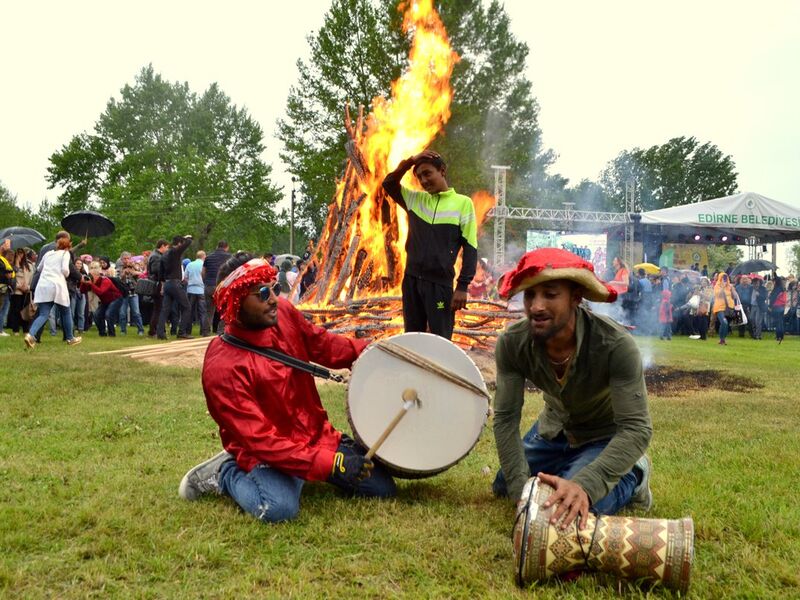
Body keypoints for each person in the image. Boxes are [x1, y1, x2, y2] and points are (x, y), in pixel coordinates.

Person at [178, 254, 396, 522]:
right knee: (278, 508)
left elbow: (324, 345)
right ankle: (225, 473)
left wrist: (377, 352)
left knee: (382, 489)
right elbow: (262, 440)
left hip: (314, 435)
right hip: (265, 451)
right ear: (235, 304)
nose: (272, 298)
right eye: (261, 293)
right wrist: (331, 465)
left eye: (273, 288)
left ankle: (301, 473)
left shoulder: (282, 311)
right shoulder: (222, 368)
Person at [491, 248, 652, 529]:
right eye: (530, 295)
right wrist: (520, 491)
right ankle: (564, 473)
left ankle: (635, 475)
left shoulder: (615, 345)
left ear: (576, 298)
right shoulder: (512, 343)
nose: (536, 306)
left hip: (603, 436)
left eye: (550, 295)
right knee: (505, 485)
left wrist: (586, 484)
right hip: (552, 431)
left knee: (577, 505)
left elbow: (637, 429)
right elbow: (505, 420)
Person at [382, 150, 478, 340]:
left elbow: (470, 247)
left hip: (439, 287)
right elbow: (389, 183)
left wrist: (463, 286)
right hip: (411, 283)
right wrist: (411, 161)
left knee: (440, 339)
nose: (424, 181)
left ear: (442, 171)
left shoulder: (463, 203)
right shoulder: (415, 200)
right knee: (412, 337)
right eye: (419, 177)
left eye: (427, 173)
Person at [25, 237, 81, 348]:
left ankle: (30, 335)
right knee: (66, 311)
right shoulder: (65, 254)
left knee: (43, 314)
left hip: (43, 285)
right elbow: (65, 270)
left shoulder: (48, 254)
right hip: (57, 285)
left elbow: (39, 268)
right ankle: (70, 338)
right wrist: (65, 275)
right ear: (68, 246)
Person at [157, 235, 194, 340]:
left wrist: (162, 287)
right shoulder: (175, 252)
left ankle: (160, 333)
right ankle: (182, 332)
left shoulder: (164, 255)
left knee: (165, 310)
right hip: (175, 283)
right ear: (179, 244)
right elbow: (188, 243)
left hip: (167, 284)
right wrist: (188, 238)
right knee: (187, 307)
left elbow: (161, 274)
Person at [202, 240, 231, 335]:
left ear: (217, 246)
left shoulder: (208, 257)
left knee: (209, 310)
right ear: (226, 247)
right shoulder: (229, 258)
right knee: (225, 310)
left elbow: (203, 272)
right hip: (222, 287)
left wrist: (206, 282)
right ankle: (221, 331)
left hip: (209, 286)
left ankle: (205, 331)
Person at [117, 252, 145, 335]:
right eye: (124, 259)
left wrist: (133, 271)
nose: (126, 260)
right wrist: (123, 274)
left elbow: (141, 274)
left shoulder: (134, 266)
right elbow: (117, 279)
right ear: (121, 260)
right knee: (122, 313)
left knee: (136, 312)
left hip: (133, 293)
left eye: (128, 258)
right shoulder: (119, 267)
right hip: (123, 293)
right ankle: (123, 330)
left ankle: (140, 330)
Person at [147, 239, 169, 337]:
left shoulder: (154, 255)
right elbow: (155, 270)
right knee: (158, 309)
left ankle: (155, 329)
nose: (167, 249)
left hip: (156, 283)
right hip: (157, 284)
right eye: (167, 247)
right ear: (162, 246)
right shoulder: (156, 257)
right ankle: (153, 330)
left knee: (158, 308)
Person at [185, 250, 209, 336]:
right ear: (204, 257)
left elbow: (185, 278)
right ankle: (204, 331)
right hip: (201, 290)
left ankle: (188, 331)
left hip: (191, 289)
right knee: (202, 311)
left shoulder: (189, 264)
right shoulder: (204, 265)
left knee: (189, 311)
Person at [711, 272, 735, 345]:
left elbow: (734, 297)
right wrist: (723, 287)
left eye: (725, 278)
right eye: (723, 278)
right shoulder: (717, 286)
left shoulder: (729, 286)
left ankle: (723, 339)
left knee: (726, 324)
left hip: (728, 308)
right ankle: (722, 339)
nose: (724, 279)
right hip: (719, 307)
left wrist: (732, 289)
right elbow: (717, 295)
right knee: (724, 322)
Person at [769, 276, 787, 344]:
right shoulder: (783, 288)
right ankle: (781, 336)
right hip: (782, 306)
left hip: (777, 306)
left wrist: (770, 306)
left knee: (778, 323)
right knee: (781, 322)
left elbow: (773, 298)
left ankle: (778, 337)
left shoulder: (777, 289)